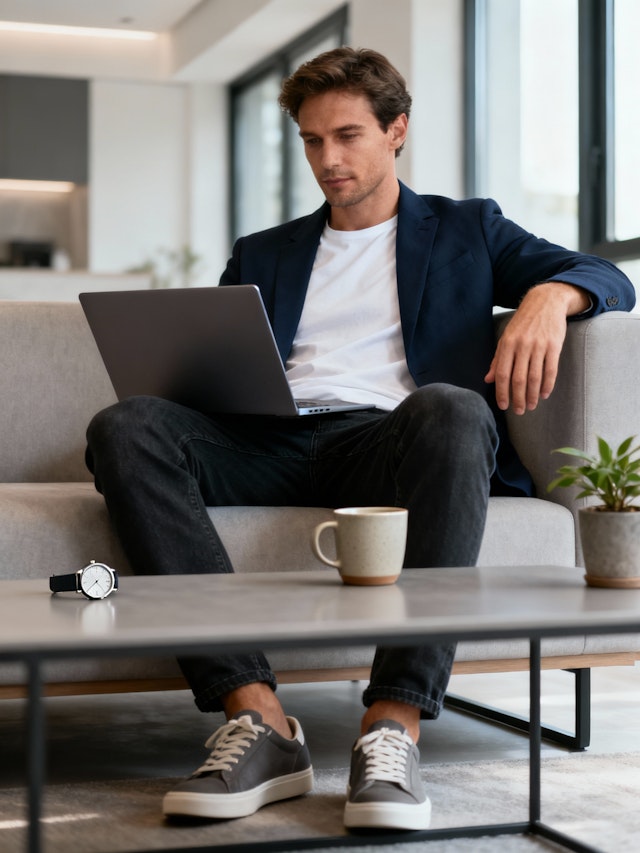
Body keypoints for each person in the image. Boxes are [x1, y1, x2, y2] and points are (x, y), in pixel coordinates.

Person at [85, 47, 635, 832]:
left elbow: (611, 277)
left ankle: (393, 722)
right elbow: (209, 366)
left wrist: (552, 292)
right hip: (271, 439)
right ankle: (260, 719)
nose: (328, 159)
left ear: (396, 130)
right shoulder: (263, 251)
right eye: (312, 141)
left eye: (346, 135)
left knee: (454, 408)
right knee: (127, 423)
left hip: (388, 441)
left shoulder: (467, 228)